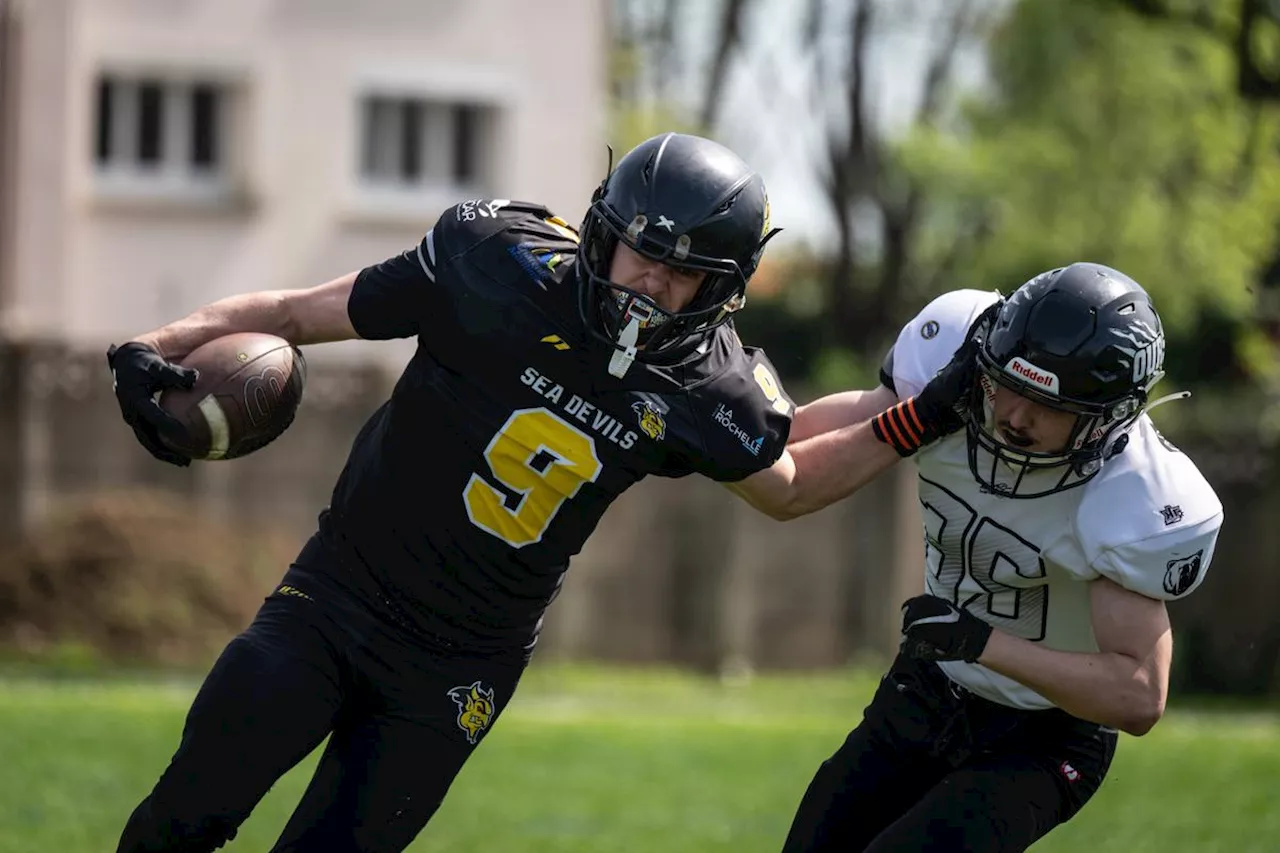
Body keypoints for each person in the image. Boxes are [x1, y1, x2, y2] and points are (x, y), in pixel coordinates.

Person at [105, 131, 969, 853]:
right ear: (604, 230)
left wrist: (922, 415)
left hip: (459, 665)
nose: (652, 282)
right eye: (644, 250)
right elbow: (295, 316)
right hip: (335, 598)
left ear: (725, 288)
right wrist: (155, 341)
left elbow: (789, 483)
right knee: (183, 818)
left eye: (685, 272)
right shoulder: (495, 266)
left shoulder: (708, 388)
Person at [776, 262, 1224, 852]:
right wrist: (732, 428)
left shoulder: (1133, 495)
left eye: (1047, 406)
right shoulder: (952, 374)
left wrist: (981, 642)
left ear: (1106, 417)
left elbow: (1140, 694)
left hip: (1044, 737)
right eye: (1007, 387)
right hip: (929, 687)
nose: (1014, 416)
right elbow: (804, 447)